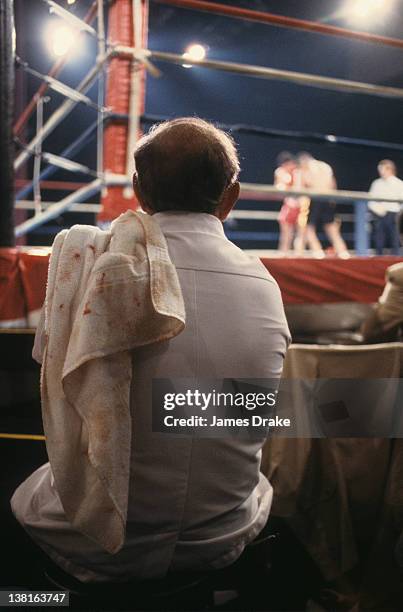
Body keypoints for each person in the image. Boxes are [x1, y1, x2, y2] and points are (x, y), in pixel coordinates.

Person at [11, 118, 291, 584]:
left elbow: (57, 381)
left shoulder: (93, 269)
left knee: (29, 490)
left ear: (138, 191)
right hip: (222, 533)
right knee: (254, 479)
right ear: (231, 197)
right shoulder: (266, 287)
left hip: (96, 545)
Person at [298, 152, 350, 259]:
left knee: (308, 227)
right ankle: (343, 252)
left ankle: (318, 251)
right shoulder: (325, 166)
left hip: (315, 197)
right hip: (328, 197)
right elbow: (332, 183)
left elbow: (308, 182)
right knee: (331, 227)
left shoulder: (307, 167)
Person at [368, 159, 403, 255]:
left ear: (390, 169)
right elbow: (370, 200)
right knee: (379, 239)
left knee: (395, 238)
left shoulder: (399, 184)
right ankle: (378, 259)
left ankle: (396, 259)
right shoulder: (376, 183)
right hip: (379, 214)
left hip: (394, 214)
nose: (381, 172)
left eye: (383, 169)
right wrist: (377, 209)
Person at [274, 152, 304, 255]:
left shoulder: (298, 172)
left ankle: (296, 253)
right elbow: (279, 187)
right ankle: (284, 253)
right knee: (287, 233)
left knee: (301, 233)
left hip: (301, 205)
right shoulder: (282, 172)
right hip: (291, 204)